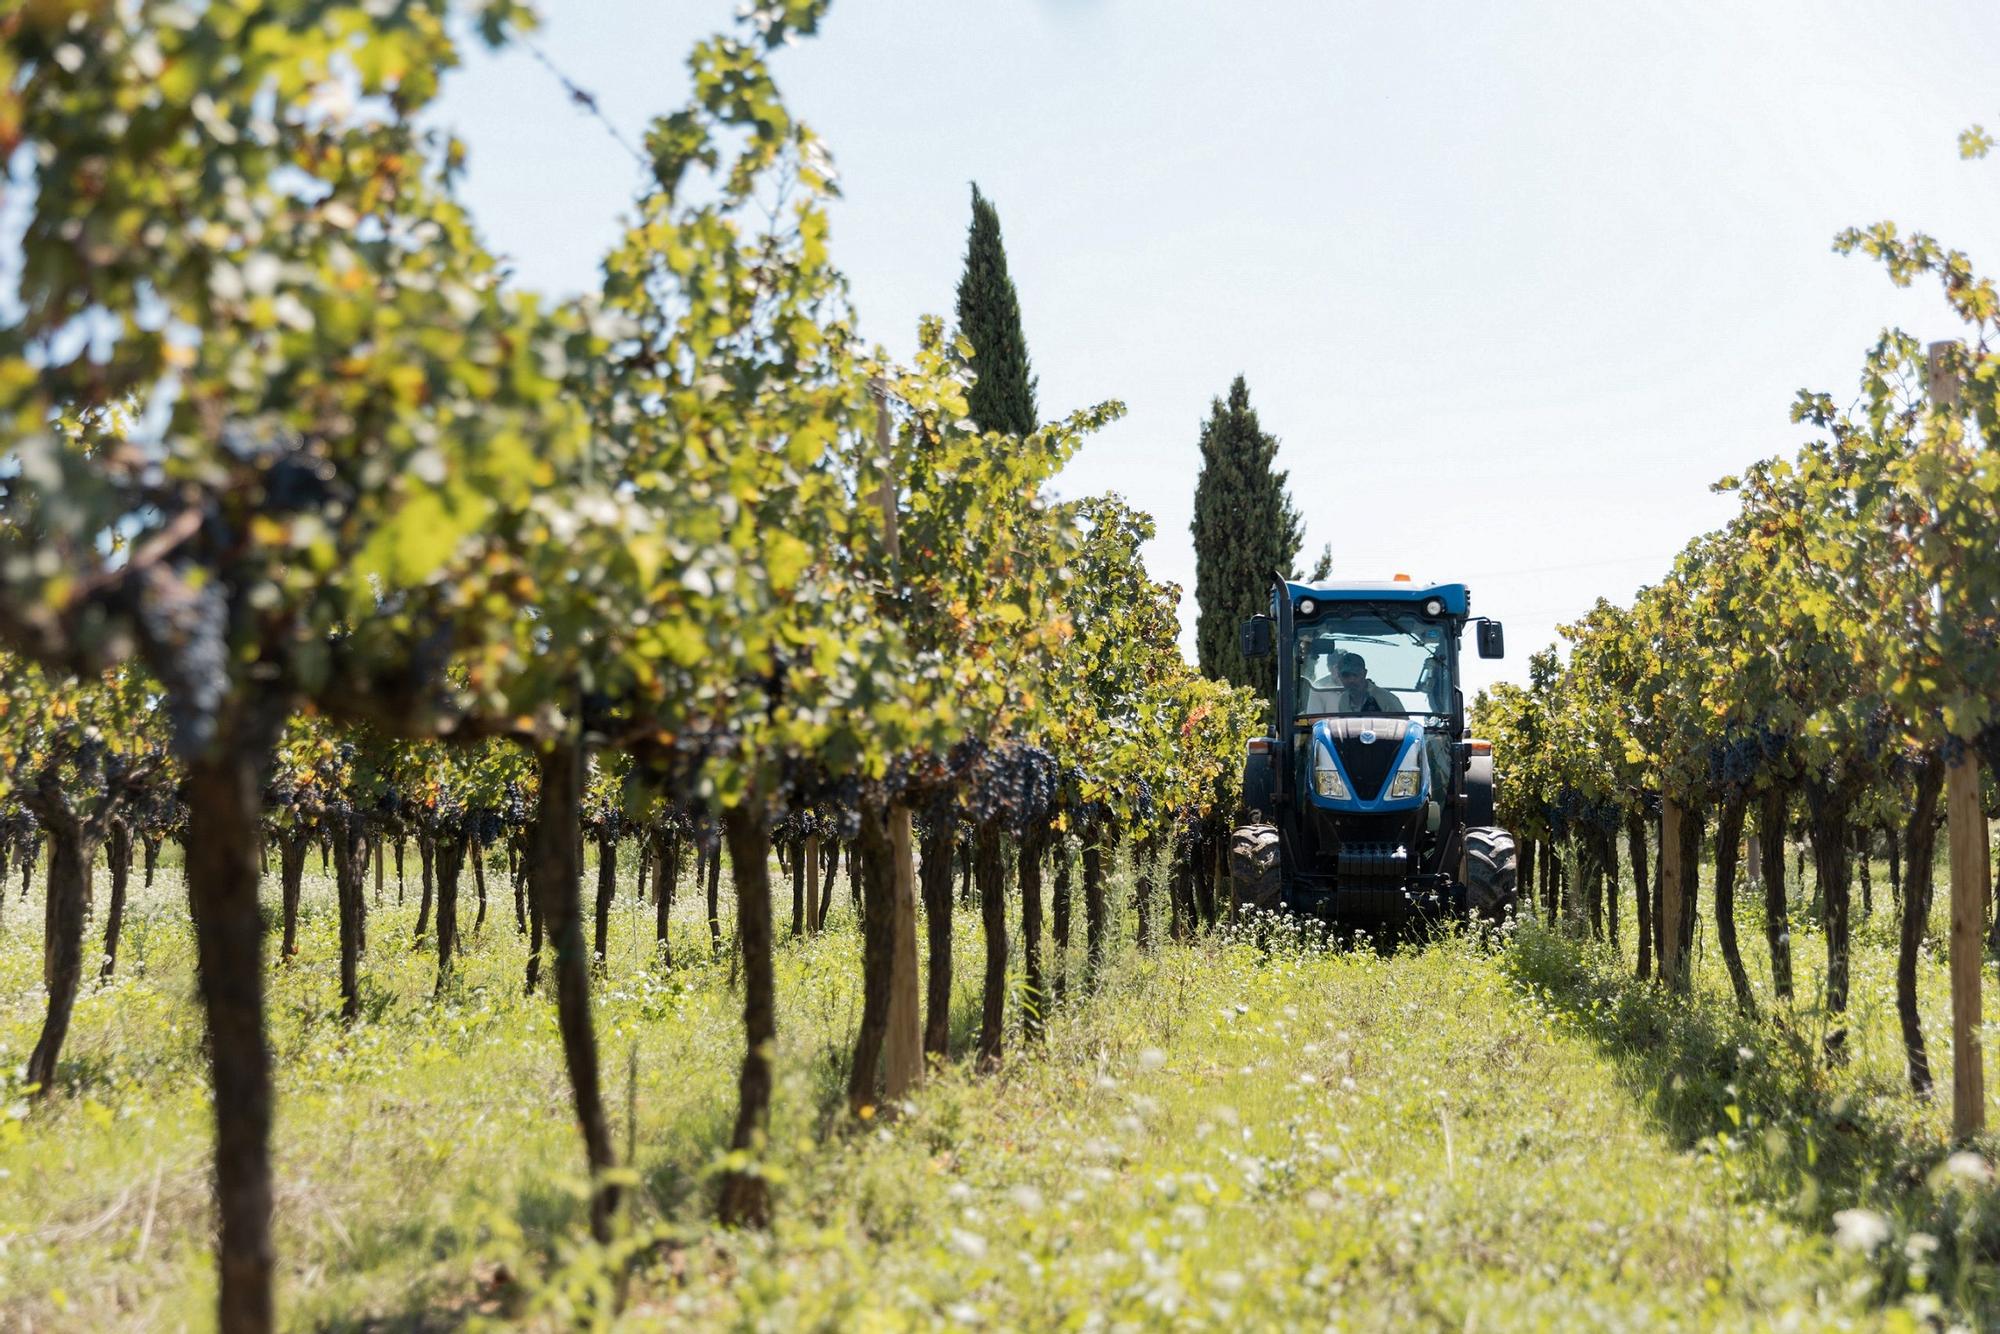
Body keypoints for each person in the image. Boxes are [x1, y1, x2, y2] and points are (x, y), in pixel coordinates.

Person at [1328, 652, 1402, 715]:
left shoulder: (1386, 699)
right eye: (1346, 675)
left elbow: (1403, 727)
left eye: (1356, 674)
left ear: (1364, 673)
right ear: (1339, 676)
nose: (1351, 680)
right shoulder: (1344, 700)